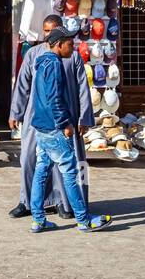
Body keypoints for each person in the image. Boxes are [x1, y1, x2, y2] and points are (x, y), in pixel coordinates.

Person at [8, 14, 94, 219]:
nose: (48, 35)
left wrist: (84, 117)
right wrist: (16, 112)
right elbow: (22, 85)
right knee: (30, 160)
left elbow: (83, 88)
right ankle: (26, 202)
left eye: (52, 30)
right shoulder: (33, 54)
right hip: (36, 118)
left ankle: (65, 204)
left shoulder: (71, 56)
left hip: (66, 117)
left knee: (66, 164)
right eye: (46, 31)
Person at [27, 27, 112, 234]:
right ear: (58, 44)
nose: (72, 49)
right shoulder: (55, 65)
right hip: (55, 128)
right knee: (70, 173)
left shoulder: (42, 63)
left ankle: (38, 220)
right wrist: (65, 123)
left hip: (41, 126)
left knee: (41, 172)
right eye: (69, 44)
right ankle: (83, 220)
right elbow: (54, 98)